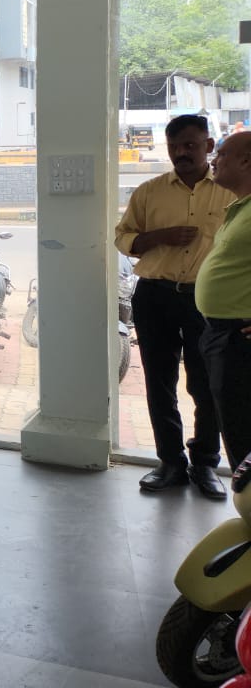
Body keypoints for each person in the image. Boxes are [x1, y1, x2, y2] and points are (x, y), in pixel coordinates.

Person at [114, 114, 232, 498]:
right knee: (159, 382)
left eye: (190, 145)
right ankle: (170, 462)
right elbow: (123, 238)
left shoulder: (230, 193)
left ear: (208, 146)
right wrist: (158, 237)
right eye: (174, 146)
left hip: (208, 301)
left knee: (207, 384)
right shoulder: (149, 192)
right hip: (155, 296)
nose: (181, 153)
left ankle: (205, 464)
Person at [197, 131, 251, 471]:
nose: (214, 161)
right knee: (233, 425)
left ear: (246, 161)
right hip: (220, 334)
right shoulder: (241, 207)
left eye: (222, 154)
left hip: (240, 340)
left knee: (242, 431)